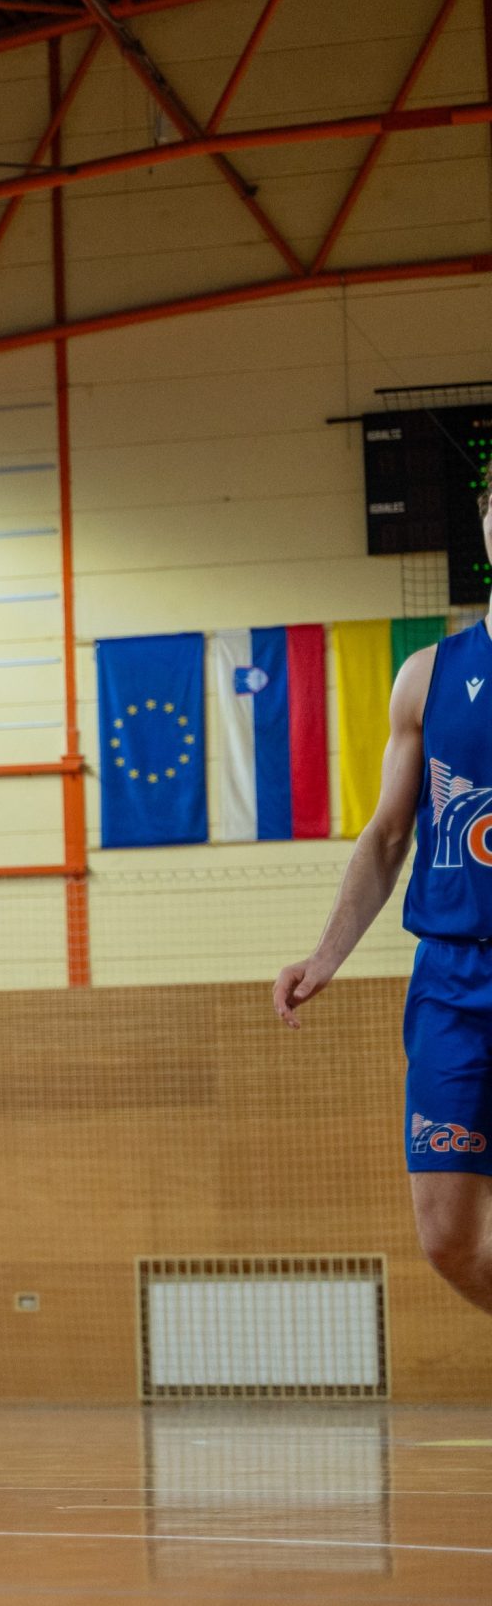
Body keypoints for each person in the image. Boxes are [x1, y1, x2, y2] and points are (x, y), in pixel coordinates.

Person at [278, 504, 492, 1325]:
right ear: (484, 521)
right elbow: (389, 832)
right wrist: (325, 953)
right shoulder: (428, 675)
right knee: (449, 1239)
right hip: (452, 979)